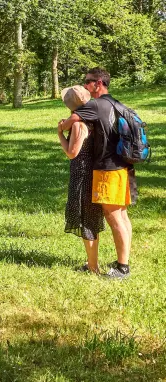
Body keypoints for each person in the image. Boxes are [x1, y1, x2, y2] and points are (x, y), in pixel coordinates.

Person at [59, 67, 137, 280]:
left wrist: (61, 129)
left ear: (98, 83)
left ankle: (123, 268)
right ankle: (124, 261)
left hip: (108, 168)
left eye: (88, 81)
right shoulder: (116, 103)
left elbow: (71, 121)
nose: (86, 85)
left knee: (114, 218)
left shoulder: (94, 105)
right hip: (124, 165)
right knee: (121, 215)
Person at [57, 85, 104, 273]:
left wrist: (60, 133)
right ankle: (92, 262)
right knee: (91, 219)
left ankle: (93, 267)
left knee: (86, 220)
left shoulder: (77, 124)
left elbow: (71, 153)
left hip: (82, 174)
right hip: (92, 171)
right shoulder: (92, 119)